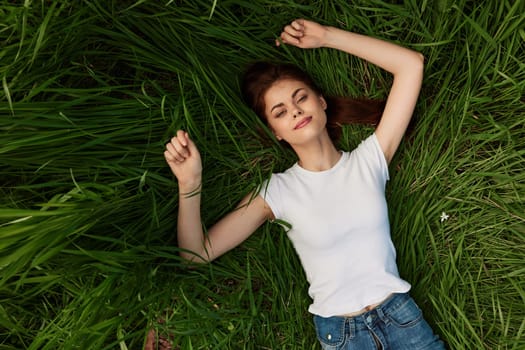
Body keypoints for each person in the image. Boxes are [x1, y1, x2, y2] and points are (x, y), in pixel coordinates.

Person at [155, 18, 445, 350]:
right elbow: (195, 255)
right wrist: (189, 183)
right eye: (280, 112)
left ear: (321, 102)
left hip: (402, 319)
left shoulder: (370, 160)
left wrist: (327, 36)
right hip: (343, 336)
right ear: (276, 132)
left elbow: (410, 65)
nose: (295, 111)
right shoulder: (275, 192)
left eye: (300, 98)